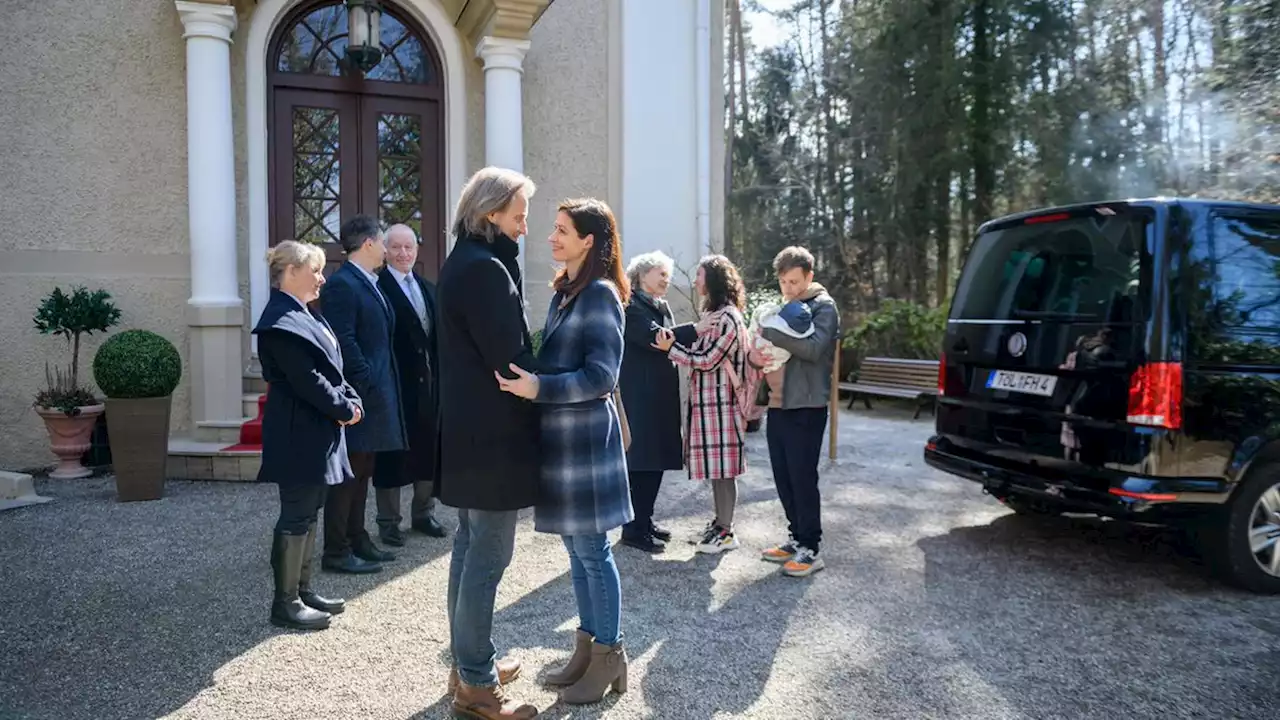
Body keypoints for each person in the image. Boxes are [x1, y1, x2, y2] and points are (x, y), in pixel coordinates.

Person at [497, 198, 632, 705]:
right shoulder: (565, 293)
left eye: (561, 230)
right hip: (564, 441)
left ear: (588, 241)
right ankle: (587, 651)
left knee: (593, 552)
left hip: (586, 442)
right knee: (578, 554)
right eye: (553, 229)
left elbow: (602, 377)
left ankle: (610, 655)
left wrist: (539, 389)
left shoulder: (599, 295)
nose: (550, 238)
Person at [436, 167, 540, 720]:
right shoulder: (485, 270)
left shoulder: (466, 262)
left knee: (470, 548)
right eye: (520, 215)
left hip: (469, 431)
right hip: (493, 434)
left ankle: (467, 663)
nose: (525, 227)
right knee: (488, 556)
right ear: (491, 213)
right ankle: (476, 687)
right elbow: (511, 359)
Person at [253, 240, 362, 630]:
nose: (321, 278)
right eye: (314, 270)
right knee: (296, 513)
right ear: (292, 272)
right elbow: (307, 380)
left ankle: (303, 590)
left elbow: (333, 368)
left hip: (317, 431)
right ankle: (285, 603)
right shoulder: (279, 321)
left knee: (310, 508)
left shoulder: (306, 314)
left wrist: (350, 396)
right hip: (298, 432)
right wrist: (344, 408)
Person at [318, 215, 407, 574]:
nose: (387, 249)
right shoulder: (343, 285)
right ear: (369, 243)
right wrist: (366, 384)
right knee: (348, 476)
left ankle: (357, 538)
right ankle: (336, 550)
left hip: (374, 394)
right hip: (360, 395)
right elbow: (345, 341)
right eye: (383, 242)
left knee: (363, 470)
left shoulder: (369, 281)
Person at [654, 255, 753, 555]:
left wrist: (671, 350)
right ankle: (721, 524)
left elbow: (708, 361)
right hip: (712, 405)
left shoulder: (727, 318)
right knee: (718, 470)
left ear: (713, 279)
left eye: (699, 275)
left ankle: (726, 530)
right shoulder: (717, 314)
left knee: (725, 471)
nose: (695, 280)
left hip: (722, 405)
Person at [754, 246, 840, 577]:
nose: (789, 289)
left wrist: (771, 331)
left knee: (803, 478)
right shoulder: (786, 307)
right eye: (784, 282)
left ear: (809, 276)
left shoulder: (824, 307)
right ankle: (795, 537)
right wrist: (755, 357)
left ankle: (811, 549)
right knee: (783, 476)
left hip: (807, 406)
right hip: (779, 404)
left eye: (794, 281)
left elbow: (814, 348)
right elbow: (763, 349)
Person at [373, 224, 447, 545]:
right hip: (395, 386)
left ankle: (423, 514)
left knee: (428, 450)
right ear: (385, 251)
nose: (404, 254)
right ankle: (388, 522)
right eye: (397, 248)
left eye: (409, 247)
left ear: (417, 250)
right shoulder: (378, 287)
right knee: (390, 456)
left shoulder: (428, 288)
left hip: (429, 386)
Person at [617, 251, 686, 553]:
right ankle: (633, 529)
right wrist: (700, 329)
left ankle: (645, 520)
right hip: (641, 397)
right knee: (641, 461)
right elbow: (656, 338)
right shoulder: (632, 307)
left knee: (655, 459)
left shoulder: (661, 306)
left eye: (667, 273)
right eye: (660, 272)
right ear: (642, 276)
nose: (666, 278)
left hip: (659, 396)